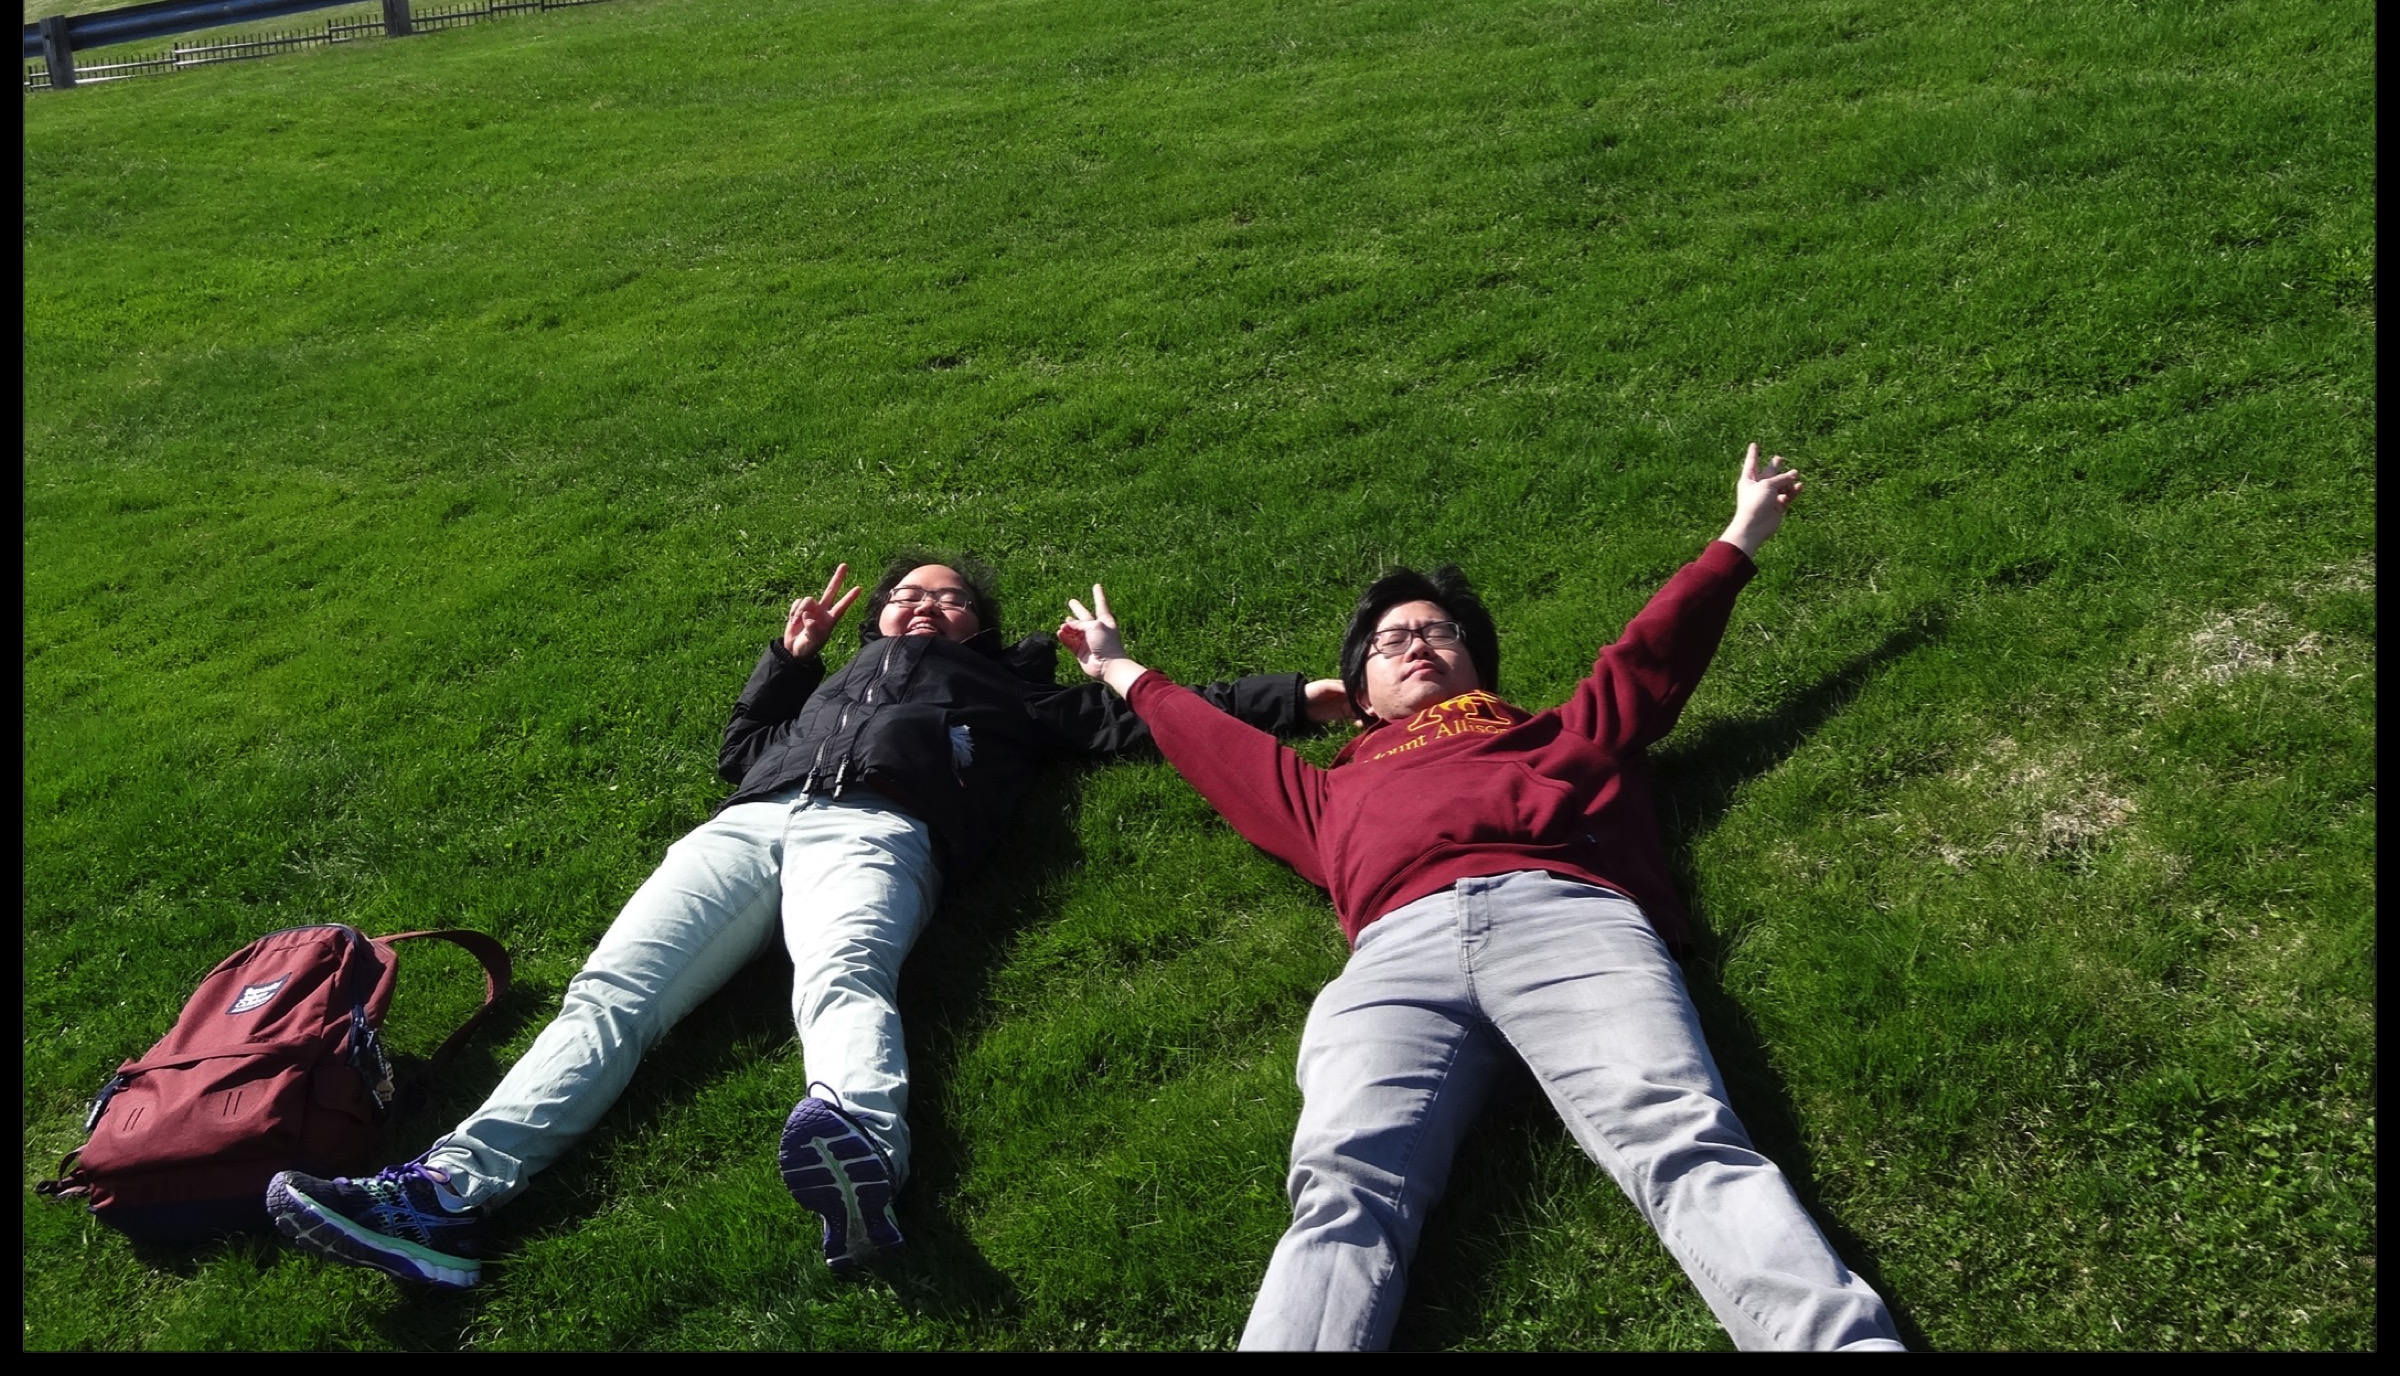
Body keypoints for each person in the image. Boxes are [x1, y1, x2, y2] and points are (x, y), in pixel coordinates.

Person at [269, 554, 1349, 1289]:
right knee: (612, 999)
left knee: (839, 982)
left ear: (982, 621)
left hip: (878, 834)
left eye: (950, 598)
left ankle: (864, 1151)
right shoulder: (830, 684)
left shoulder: (1015, 693)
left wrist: (1307, 695)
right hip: (743, 832)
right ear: (879, 617)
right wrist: (786, 664)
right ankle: (445, 1198)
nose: (925, 606)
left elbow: (1152, 719)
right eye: (908, 597)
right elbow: (741, 758)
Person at [1057, 448, 1905, 1352]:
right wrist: (1118, 669)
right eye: (1392, 640)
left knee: (1682, 1136)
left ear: (1476, 664)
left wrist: (1740, 535)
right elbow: (1217, 747)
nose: (1419, 643)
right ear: (1363, 694)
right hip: (1393, 957)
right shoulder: (1329, 790)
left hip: (1569, 919)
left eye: (1440, 632)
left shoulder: (1557, 736)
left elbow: (1650, 653)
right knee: (1340, 1188)